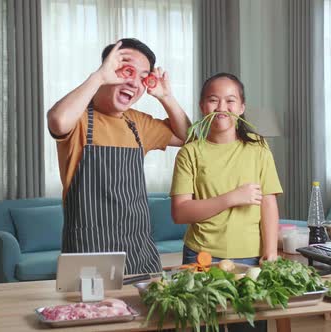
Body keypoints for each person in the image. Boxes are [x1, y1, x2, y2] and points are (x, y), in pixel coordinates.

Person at [48, 38, 191, 274]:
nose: (134, 82)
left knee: (150, 311)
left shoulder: (137, 123)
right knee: (92, 312)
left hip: (139, 250)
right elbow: (57, 121)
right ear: (107, 70)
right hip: (89, 252)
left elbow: (189, 137)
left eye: (143, 76)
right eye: (126, 70)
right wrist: (98, 77)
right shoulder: (80, 119)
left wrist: (167, 97)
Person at [170, 72, 282, 331]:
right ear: (202, 106)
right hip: (202, 256)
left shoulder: (258, 147)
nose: (222, 107)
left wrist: (271, 252)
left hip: (251, 258)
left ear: (241, 108)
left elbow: (268, 203)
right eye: (213, 100)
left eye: (230, 101)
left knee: (249, 327)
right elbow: (180, 212)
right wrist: (231, 198)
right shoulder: (191, 152)